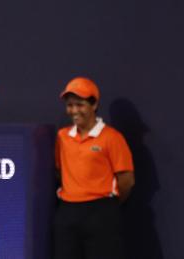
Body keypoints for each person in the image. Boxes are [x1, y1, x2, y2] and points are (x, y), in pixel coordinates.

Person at [54, 77, 134, 259]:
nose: (74, 110)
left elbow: (126, 181)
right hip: (67, 213)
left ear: (94, 104)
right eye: (70, 105)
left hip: (102, 213)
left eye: (80, 104)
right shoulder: (62, 137)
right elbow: (59, 172)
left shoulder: (112, 138)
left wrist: (105, 205)